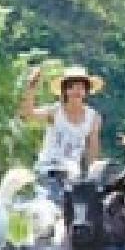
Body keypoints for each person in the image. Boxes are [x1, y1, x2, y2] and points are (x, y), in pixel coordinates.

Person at [18, 64, 104, 203]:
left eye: (81, 87)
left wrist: (92, 176)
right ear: (65, 90)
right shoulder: (55, 112)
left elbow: (92, 151)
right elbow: (28, 115)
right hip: (48, 170)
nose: (77, 91)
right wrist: (31, 88)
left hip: (72, 174)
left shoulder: (93, 118)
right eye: (72, 87)